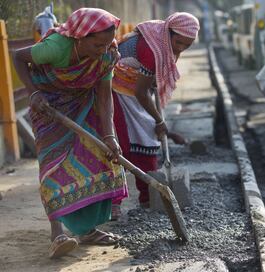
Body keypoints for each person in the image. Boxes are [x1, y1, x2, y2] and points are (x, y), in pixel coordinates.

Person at [13, 8, 128, 258]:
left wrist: (109, 137)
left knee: (98, 158)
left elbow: (105, 97)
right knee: (53, 164)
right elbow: (18, 57)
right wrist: (34, 93)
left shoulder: (108, 54)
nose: (103, 50)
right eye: (97, 44)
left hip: (83, 103)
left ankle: (89, 230)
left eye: (107, 44)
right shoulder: (55, 47)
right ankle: (58, 233)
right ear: (79, 37)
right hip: (48, 105)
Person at [110, 12, 200, 219]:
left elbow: (147, 86)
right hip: (116, 91)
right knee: (120, 146)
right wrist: (159, 121)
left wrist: (160, 121)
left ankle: (148, 197)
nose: (180, 49)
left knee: (145, 141)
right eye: (178, 43)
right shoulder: (153, 49)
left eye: (187, 46)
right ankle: (114, 203)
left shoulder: (161, 37)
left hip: (134, 91)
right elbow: (142, 92)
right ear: (169, 32)